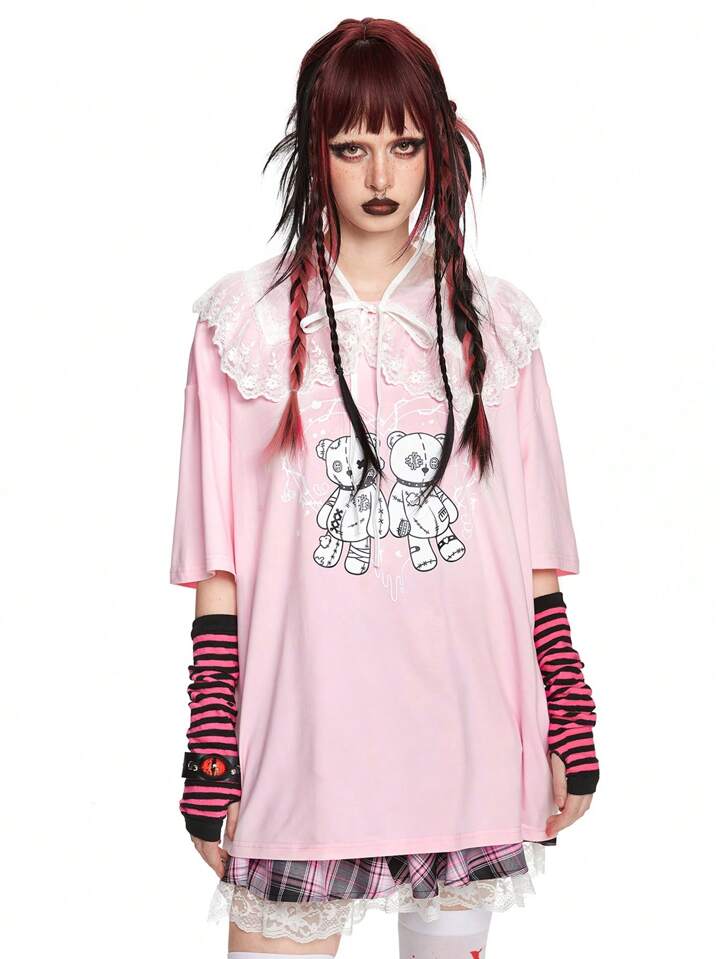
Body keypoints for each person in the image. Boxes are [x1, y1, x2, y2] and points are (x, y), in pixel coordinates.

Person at [169, 16, 600, 959]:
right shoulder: (240, 327)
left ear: (438, 148)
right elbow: (217, 566)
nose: (380, 175)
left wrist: (567, 708)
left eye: (404, 145)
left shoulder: (498, 325)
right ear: (312, 153)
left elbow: (533, 552)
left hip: (469, 741)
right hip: (305, 750)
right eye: (351, 146)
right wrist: (210, 746)